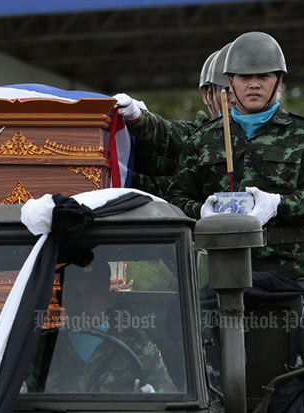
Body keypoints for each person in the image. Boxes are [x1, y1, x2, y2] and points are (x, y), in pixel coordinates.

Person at [171, 31, 304, 281]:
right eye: (245, 77)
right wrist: (201, 212)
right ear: (230, 82)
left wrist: (279, 204)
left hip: (288, 276)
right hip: (218, 273)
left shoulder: (300, 135)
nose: (254, 84)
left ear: (279, 80)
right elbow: (177, 198)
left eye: (264, 76)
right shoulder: (203, 139)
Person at [26, 262, 175, 393]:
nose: (82, 300)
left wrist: (149, 394)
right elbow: (21, 391)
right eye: (73, 292)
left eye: (92, 292)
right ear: (63, 298)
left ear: (110, 298)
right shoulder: (45, 346)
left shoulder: (136, 343)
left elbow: (166, 394)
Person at [114, 47, 237, 198]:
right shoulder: (196, 139)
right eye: (227, 90)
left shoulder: (269, 134)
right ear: (207, 95)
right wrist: (137, 117)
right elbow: (165, 133)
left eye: (239, 89)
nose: (234, 99)